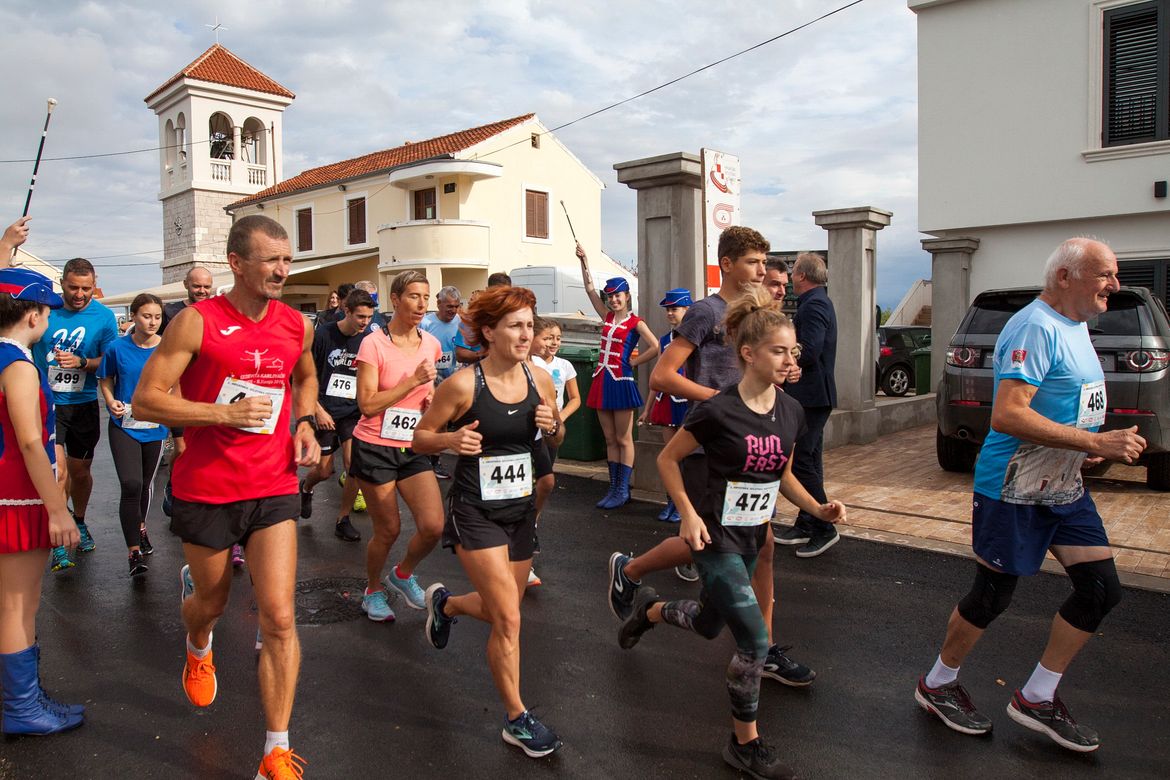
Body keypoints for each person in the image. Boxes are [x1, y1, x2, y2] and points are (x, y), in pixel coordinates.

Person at [914, 238, 1142, 753]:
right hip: (1012, 485)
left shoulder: (1076, 325)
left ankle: (1038, 696)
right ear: (1065, 276)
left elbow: (1062, 403)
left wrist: (1082, 449)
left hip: (1062, 484)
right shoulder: (1034, 326)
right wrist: (1094, 441)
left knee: (1100, 590)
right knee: (992, 595)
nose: (1114, 284)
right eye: (1105, 274)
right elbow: (1008, 414)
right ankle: (937, 684)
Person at [618, 287, 845, 779]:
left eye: (793, 352)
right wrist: (688, 514)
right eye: (779, 351)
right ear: (748, 353)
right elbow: (668, 459)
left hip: (751, 538)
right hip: (714, 539)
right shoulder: (717, 409)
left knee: (707, 624)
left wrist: (817, 509)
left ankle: (650, 611)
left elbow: (783, 474)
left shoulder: (791, 411)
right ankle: (745, 743)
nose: (790, 361)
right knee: (754, 643)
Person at [132, 214, 319, 778]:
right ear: (236, 263)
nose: (282, 271)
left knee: (279, 617)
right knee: (212, 604)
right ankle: (198, 641)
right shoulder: (196, 322)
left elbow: (304, 377)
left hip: (274, 483)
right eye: (271, 260)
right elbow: (146, 400)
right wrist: (221, 414)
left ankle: (275, 751)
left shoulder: (297, 325)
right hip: (207, 488)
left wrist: (304, 421)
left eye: (287, 260)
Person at [610, 226, 816, 687]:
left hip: (753, 448)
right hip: (710, 443)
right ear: (727, 264)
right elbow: (662, 376)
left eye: (763, 262)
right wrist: (727, 403)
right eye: (752, 262)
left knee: (757, 545)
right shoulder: (705, 312)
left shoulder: (762, 313)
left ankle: (763, 647)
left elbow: (764, 368)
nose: (761, 270)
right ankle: (632, 570)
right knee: (712, 541)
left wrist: (785, 368)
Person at [412, 285, 566, 759]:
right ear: (489, 332)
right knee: (508, 617)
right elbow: (420, 438)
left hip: (520, 511)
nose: (527, 334)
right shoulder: (463, 385)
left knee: (505, 607)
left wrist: (553, 424)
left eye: (530, 325)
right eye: (516, 325)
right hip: (475, 511)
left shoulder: (539, 378)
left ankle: (448, 606)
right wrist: (450, 441)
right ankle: (516, 718)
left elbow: (555, 435)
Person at [0, 267, 84, 736]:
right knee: (17, 605)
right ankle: (21, 708)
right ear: (33, 315)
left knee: (14, 604)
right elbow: (30, 441)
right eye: (47, 310)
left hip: (12, 492)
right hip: (16, 496)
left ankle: (26, 699)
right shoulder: (17, 363)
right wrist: (57, 509)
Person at [350, 270, 444, 622]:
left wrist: (430, 400)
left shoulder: (430, 344)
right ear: (395, 299)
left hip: (412, 444)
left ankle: (402, 574)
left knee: (433, 526)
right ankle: (372, 590)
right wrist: (412, 382)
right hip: (375, 445)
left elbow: (429, 393)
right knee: (388, 530)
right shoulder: (373, 344)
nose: (421, 304)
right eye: (414, 296)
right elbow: (367, 404)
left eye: (426, 297)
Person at [31, 257, 119, 572]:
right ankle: (58, 537)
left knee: (80, 472)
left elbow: (109, 361)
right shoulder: (45, 310)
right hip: (47, 402)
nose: (79, 294)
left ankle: (78, 520)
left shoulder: (104, 317)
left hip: (83, 403)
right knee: (58, 472)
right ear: (62, 284)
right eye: (73, 288)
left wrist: (82, 363)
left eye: (86, 289)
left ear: (94, 286)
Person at [575, 244, 658, 509]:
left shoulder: (636, 322)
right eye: (610, 296)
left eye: (617, 296)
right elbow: (589, 290)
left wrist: (633, 361)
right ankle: (613, 487)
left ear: (627, 296)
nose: (613, 300)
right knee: (610, 439)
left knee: (623, 438)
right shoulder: (607, 316)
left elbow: (655, 346)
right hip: (602, 380)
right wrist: (585, 262)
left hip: (621, 381)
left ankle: (623, 488)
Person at [97, 293, 168, 578]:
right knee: (130, 483)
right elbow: (106, 379)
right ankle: (134, 552)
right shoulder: (117, 348)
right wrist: (110, 400)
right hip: (124, 424)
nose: (152, 322)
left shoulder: (168, 349)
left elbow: (177, 383)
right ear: (134, 316)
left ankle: (140, 526)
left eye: (157, 317)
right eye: (146, 316)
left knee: (145, 485)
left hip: (155, 427)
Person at [774, 252, 839, 558]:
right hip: (813, 396)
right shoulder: (816, 302)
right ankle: (807, 522)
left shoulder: (814, 305)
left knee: (799, 461)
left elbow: (810, 350)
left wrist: (781, 355)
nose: (790, 279)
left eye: (793, 272)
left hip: (810, 396)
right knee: (809, 460)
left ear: (801, 275)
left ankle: (825, 526)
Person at [298, 288, 376, 543]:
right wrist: (318, 409)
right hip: (325, 410)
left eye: (369, 317)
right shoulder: (323, 335)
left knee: (354, 465)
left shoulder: (368, 340)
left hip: (352, 411)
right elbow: (303, 377)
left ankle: (342, 519)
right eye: (360, 317)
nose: (365, 322)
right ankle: (306, 487)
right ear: (346, 311)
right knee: (324, 471)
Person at [527, 317, 582, 586]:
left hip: (549, 430)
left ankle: (531, 523)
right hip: (529, 432)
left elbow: (575, 398)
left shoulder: (563, 366)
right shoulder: (530, 364)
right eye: (548, 337)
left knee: (545, 482)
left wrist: (558, 420)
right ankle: (523, 536)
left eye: (557, 338)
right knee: (532, 484)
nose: (553, 343)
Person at [639, 288, 693, 523]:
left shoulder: (696, 337)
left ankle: (685, 505)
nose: (670, 313)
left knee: (686, 457)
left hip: (687, 402)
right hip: (667, 401)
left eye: (675, 309)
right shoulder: (664, 340)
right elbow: (658, 376)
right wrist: (648, 408)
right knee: (669, 455)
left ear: (687, 309)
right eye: (668, 309)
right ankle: (671, 501)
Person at [420, 285, 463, 479]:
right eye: (449, 306)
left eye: (456, 306)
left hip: (450, 378)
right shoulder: (426, 323)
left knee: (443, 421)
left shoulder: (460, 322)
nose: (453, 310)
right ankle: (419, 458)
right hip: (427, 378)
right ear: (439, 304)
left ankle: (435, 462)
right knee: (425, 420)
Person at [454, 274, 510, 367]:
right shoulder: (472, 318)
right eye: (497, 293)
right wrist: (485, 355)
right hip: (476, 372)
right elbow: (460, 354)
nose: (501, 298)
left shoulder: (515, 316)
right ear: (487, 291)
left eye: (505, 294)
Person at [159, 267, 214, 334]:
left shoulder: (218, 312)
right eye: (197, 286)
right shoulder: (169, 311)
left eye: (207, 287)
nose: (202, 291)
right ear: (186, 284)